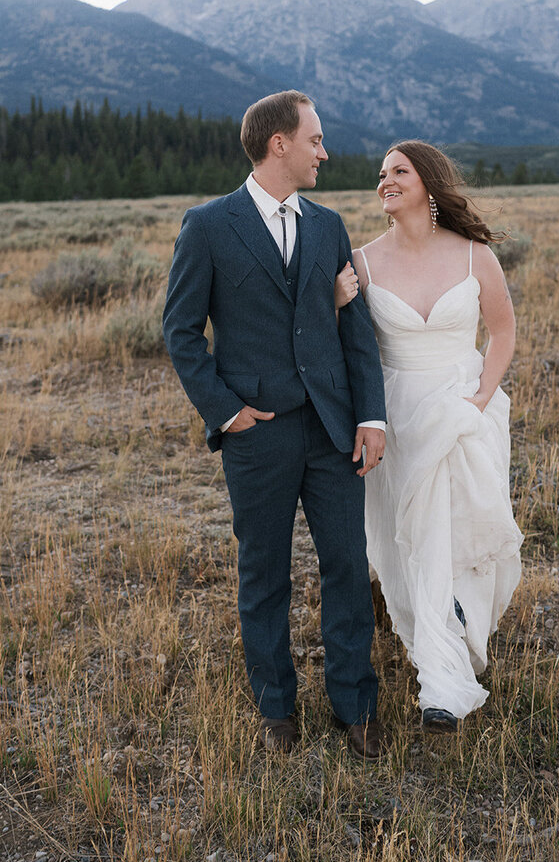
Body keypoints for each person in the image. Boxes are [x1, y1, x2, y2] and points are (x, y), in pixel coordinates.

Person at [163, 90, 388, 759]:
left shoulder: (329, 225)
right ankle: (276, 710)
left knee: (347, 565)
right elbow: (180, 331)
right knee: (264, 573)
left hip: (333, 428)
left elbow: (355, 330)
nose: (326, 151)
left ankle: (356, 708)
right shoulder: (207, 225)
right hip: (257, 434)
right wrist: (227, 412)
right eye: (315, 139)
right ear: (279, 144)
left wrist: (370, 415)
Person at [338, 140, 522, 733]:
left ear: (428, 183)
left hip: (465, 406)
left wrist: (480, 399)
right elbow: (342, 343)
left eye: (399, 171)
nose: (384, 180)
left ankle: (444, 681)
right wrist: (336, 300)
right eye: (381, 173)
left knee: (456, 529)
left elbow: (502, 332)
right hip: (395, 414)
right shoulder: (362, 262)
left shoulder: (473, 258)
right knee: (407, 539)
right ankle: (438, 657)